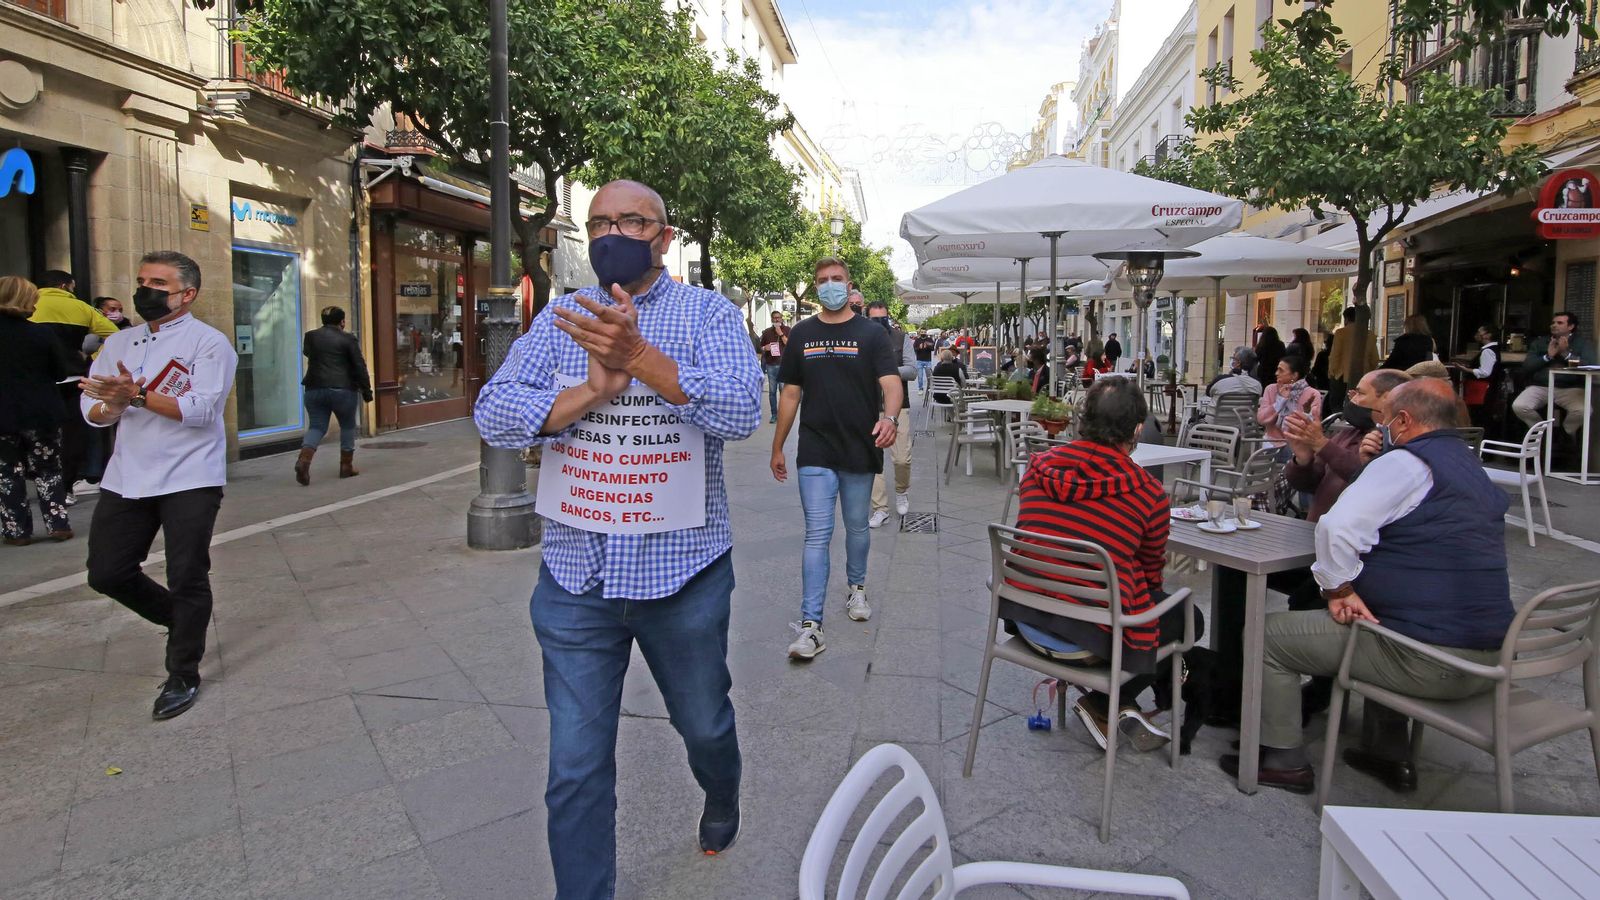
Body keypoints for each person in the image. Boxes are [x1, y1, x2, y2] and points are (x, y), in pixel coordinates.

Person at [474, 180, 762, 890]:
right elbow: (495, 413)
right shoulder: (562, 318)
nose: (613, 232)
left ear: (664, 237)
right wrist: (591, 393)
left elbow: (739, 409)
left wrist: (642, 359)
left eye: (632, 220)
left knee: (704, 725)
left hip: (683, 575)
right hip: (577, 577)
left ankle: (720, 793)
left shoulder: (708, 314)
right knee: (574, 765)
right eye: (600, 220)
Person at [1221, 378, 1512, 794]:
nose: (1380, 425)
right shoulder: (1468, 465)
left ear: (1405, 420)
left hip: (1426, 658)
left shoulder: (1406, 463)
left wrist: (1338, 591)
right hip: (1489, 657)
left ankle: (1283, 758)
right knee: (1382, 613)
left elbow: (1337, 527)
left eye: (1384, 417)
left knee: (1269, 637)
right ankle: (1387, 752)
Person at [78, 251, 236, 720]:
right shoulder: (119, 343)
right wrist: (111, 406)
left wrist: (139, 396)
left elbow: (202, 411)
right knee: (106, 572)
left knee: (187, 572)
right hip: (127, 475)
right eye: (142, 280)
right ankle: (180, 620)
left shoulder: (209, 344)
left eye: (158, 284)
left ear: (187, 294)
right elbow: (94, 412)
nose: (145, 291)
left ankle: (182, 671)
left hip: (191, 474)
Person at [1002, 378, 1195, 751]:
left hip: (1027, 618)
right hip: (1087, 640)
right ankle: (1105, 702)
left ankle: (1117, 704)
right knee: (1186, 614)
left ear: (1082, 419)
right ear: (1138, 429)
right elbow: (1151, 574)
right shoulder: (1147, 493)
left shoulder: (1038, 468)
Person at [773, 257, 900, 660]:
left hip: (860, 445)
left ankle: (857, 588)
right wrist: (777, 445)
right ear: (815, 287)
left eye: (837, 279)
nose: (830, 285)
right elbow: (790, 393)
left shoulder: (871, 333)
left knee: (857, 527)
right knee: (817, 534)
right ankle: (811, 625)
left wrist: (891, 418)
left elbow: (891, 382)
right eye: (823, 280)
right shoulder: (801, 334)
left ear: (849, 284)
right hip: (815, 446)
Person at [29, 270, 118, 503]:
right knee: (72, 436)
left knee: (31, 436)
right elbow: (115, 336)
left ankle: (30, 486)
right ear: (65, 285)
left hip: (34, 381)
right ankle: (65, 488)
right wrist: (95, 358)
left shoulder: (28, 303)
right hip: (72, 378)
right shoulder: (82, 308)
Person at [1, 277, 74, 546]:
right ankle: (57, 524)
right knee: (48, 468)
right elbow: (60, 371)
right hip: (40, 410)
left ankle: (16, 530)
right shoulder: (41, 333)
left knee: (8, 471)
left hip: (3, 415)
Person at [295, 306, 373, 485]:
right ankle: (346, 466)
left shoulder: (311, 336)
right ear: (342, 322)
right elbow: (359, 366)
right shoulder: (348, 339)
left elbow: (308, 353)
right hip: (343, 389)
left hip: (314, 389)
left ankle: (304, 460)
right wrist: (367, 391)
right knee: (347, 426)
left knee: (316, 426)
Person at [1512, 311, 1594, 456]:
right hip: (1541, 386)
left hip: (1570, 388)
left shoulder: (1582, 343)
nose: (1554, 325)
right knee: (1520, 405)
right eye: (1553, 323)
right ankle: (1543, 433)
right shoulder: (1540, 342)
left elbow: (1591, 364)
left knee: (1584, 410)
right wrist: (1547, 356)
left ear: (1571, 326)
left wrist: (1565, 353)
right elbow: (1527, 367)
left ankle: (1565, 433)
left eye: (1560, 323)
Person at [866, 301, 913, 527]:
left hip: (899, 406)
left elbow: (912, 370)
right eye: (874, 320)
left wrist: (886, 373)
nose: (878, 324)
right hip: (870, 406)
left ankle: (902, 491)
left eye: (882, 319)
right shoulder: (861, 339)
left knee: (902, 458)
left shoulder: (902, 339)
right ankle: (880, 508)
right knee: (874, 461)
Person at [1257, 354, 1322, 453]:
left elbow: (1312, 424)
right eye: (1277, 369)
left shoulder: (1312, 394)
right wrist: (1280, 400)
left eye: (1281, 370)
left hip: (1300, 445)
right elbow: (1262, 419)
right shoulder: (1271, 389)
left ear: (1294, 375)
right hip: (1274, 443)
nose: (1276, 373)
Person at [1328, 306, 1379, 415]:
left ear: (1346, 319)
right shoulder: (1370, 334)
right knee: (1360, 403)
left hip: (1341, 374)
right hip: (1363, 375)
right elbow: (1374, 358)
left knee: (1337, 403)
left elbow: (1335, 355)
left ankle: (1338, 421)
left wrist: (1332, 372)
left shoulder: (1341, 333)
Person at [1455, 324, 1506, 429]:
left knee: (1480, 416)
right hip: (1485, 388)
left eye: (1480, 332)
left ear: (1488, 335)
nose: (1477, 335)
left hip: (1482, 389)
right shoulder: (1492, 349)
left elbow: (1485, 372)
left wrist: (1465, 369)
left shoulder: (1488, 351)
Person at [757, 310, 790, 423]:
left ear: (782, 319)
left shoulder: (787, 330)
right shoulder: (766, 332)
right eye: (774, 318)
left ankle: (782, 415)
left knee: (782, 390)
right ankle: (774, 415)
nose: (777, 319)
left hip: (784, 364)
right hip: (771, 365)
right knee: (772, 391)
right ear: (772, 319)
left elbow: (789, 344)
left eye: (779, 317)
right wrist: (764, 348)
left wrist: (780, 333)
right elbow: (760, 347)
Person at [912, 328, 936, 393]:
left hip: (928, 360)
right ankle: (920, 388)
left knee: (929, 376)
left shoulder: (929, 339)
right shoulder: (917, 340)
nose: (923, 333)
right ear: (920, 333)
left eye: (924, 332)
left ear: (926, 333)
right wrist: (919, 348)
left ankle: (930, 388)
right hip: (919, 360)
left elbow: (932, 348)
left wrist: (928, 346)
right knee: (920, 376)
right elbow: (914, 349)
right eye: (922, 332)